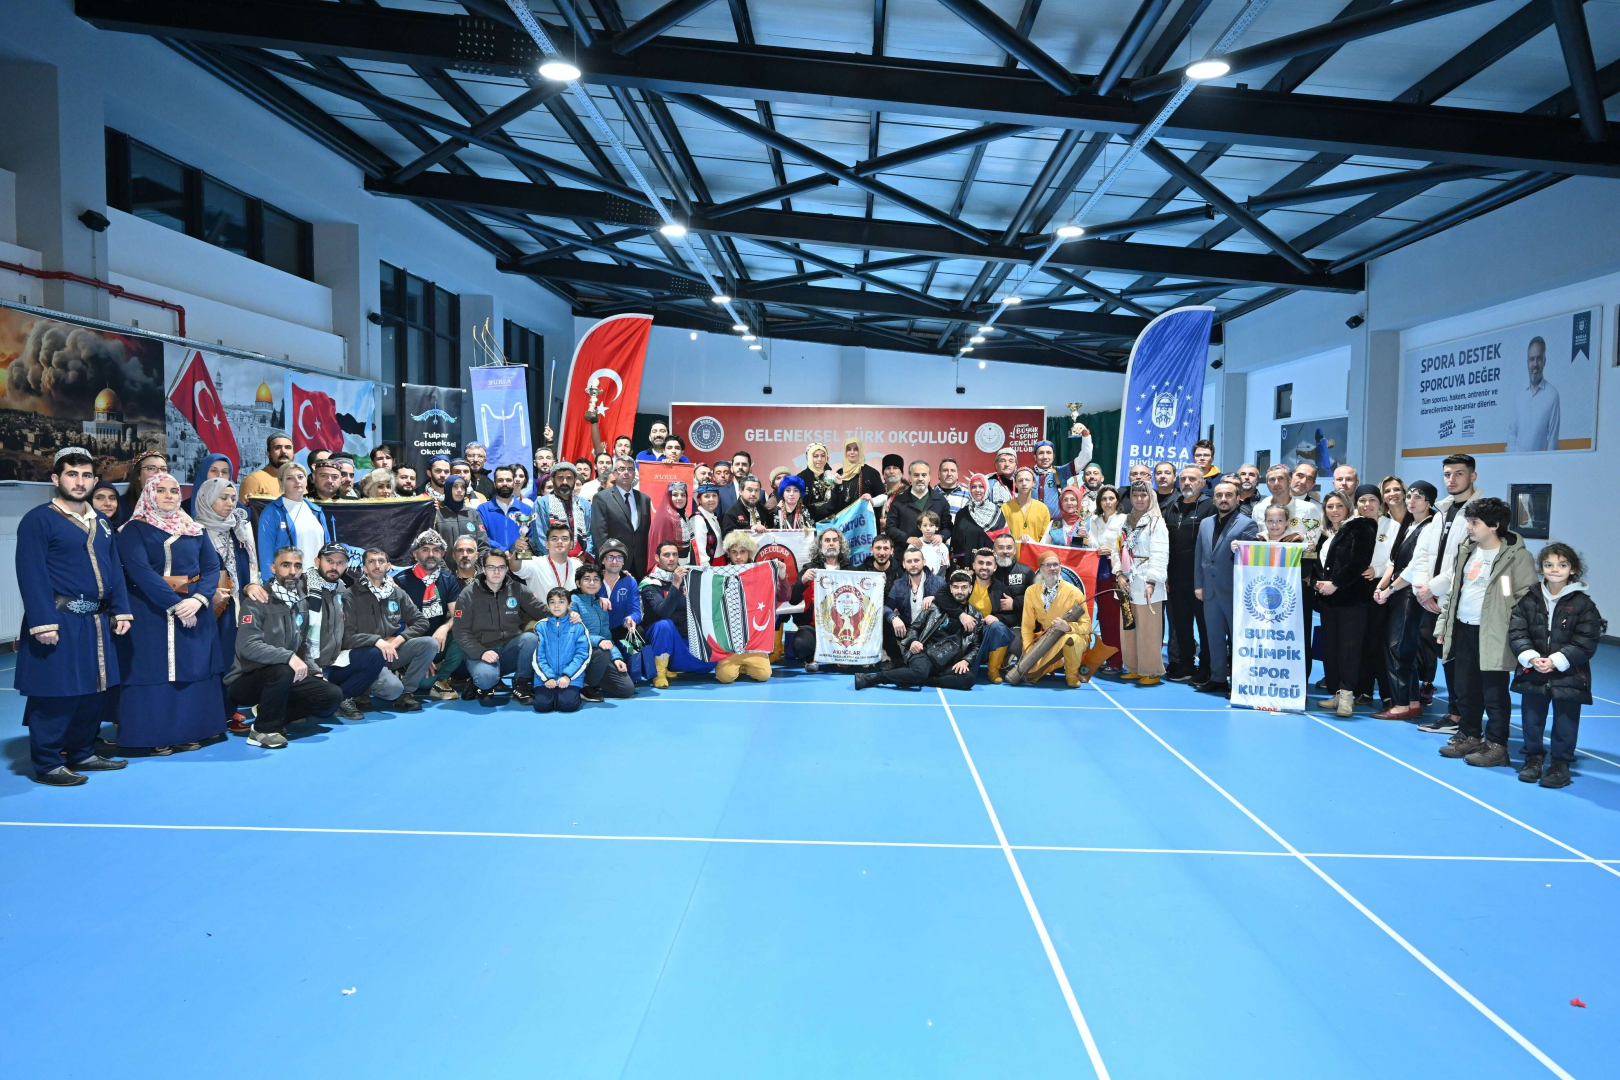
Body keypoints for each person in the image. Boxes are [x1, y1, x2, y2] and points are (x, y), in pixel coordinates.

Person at [16, 449, 135, 784]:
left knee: (94, 690)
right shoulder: (39, 520)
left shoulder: (102, 522)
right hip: (59, 619)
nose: (79, 482)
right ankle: (48, 762)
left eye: (86, 476)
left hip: (97, 621)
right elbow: (31, 573)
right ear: (57, 479)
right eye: (72, 474)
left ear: (94, 480)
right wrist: (43, 622)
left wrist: (122, 609)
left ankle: (82, 752)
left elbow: (114, 570)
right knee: (56, 692)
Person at [1433, 497, 1537, 767]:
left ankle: (1497, 746)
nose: (1469, 527)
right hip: (1463, 629)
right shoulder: (1467, 551)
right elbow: (1455, 592)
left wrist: (1514, 631)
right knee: (1464, 688)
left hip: (1493, 633)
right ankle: (1469, 735)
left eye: (1474, 522)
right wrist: (1444, 625)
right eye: (1468, 521)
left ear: (1494, 525)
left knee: (1494, 692)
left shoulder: (1517, 556)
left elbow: (1526, 598)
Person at [225, 546, 345, 749]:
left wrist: (314, 671)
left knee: (331, 695)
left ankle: (268, 713)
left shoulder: (301, 600)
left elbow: (302, 645)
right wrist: (288, 657)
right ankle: (262, 731)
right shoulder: (257, 600)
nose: (292, 571)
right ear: (273, 568)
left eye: (297, 566)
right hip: (246, 679)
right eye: (286, 565)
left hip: (283, 677)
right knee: (282, 669)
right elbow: (247, 646)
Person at [1509, 543, 1601, 787]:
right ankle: (1533, 758)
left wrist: (1556, 660)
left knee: (1566, 721)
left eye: (1562, 565)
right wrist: (1530, 657)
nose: (1555, 569)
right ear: (1542, 568)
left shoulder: (1584, 604)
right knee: (1531, 718)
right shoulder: (1529, 599)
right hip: (1534, 670)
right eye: (1548, 565)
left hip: (1569, 673)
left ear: (1573, 569)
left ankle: (1560, 764)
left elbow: (1586, 640)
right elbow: (1517, 631)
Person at [193, 477, 267, 729]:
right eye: (222, 497)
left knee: (233, 659)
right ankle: (208, 713)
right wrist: (206, 593)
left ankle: (228, 710)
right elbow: (188, 570)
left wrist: (251, 584)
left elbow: (251, 563)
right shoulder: (194, 530)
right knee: (210, 659)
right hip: (208, 606)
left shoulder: (240, 527)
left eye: (233, 498)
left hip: (236, 605)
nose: (229, 503)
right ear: (207, 499)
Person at [1414, 453, 1480, 733]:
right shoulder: (1441, 511)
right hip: (1432, 601)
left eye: (1459, 473)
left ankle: (1461, 718)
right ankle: (1455, 715)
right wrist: (1422, 589)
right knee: (1446, 659)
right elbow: (1423, 554)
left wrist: (1433, 588)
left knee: (1461, 663)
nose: (1451, 479)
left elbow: (1470, 562)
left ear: (1473, 476)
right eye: (1447, 474)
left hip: (1460, 601)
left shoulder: (1480, 513)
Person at [1372, 481, 1438, 720]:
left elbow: (1413, 568)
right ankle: (1412, 701)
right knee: (1404, 646)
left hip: (1409, 593)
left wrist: (1389, 590)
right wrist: (1381, 586)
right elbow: (1394, 561)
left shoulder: (1430, 527)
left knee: (1397, 647)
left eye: (1418, 497)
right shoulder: (1410, 525)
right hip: (1400, 591)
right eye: (1409, 496)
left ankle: (1400, 705)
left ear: (1429, 501)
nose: (1411, 501)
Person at [855, 570, 983, 691]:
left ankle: (921, 680)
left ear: (970, 588)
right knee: (920, 672)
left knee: (969, 678)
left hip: (948, 662)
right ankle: (873, 679)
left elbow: (975, 645)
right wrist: (913, 641)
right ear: (950, 588)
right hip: (924, 653)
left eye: (964, 587)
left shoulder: (976, 615)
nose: (960, 591)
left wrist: (966, 661)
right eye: (956, 587)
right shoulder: (934, 607)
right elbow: (914, 628)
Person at [346, 547, 439, 712]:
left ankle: (407, 692)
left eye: (381, 561)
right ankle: (362, 688)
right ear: (365, 568)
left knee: (430, 643)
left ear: (388, 566)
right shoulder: (350, 595)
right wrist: (376, 641)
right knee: (392, 690)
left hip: (392, 650)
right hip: (367, 655)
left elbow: (421, 622)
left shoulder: (397, 593)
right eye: (371, 562)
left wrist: (400, 638)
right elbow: (347, 636)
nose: (377, 565)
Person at [304, 542, 388, 719]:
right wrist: (250, 587)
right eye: (329, 561)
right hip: (306, 666)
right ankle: (326, 697)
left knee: (374, 655)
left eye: (340, 562)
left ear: (346, 566)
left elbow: (370, 589)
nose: (334, 567)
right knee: (320, 710)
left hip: (332, 664)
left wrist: (391, 586)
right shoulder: (301, 587)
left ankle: (342, 698)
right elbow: (275, 587)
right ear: (317, 561)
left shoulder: (341, 589)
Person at [1311, 491, 1376, 717]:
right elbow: (1320, 565)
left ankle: (1347, 696)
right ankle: (1338, 693)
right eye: (1330, 506)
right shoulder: (1326, 534)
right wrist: (1317, 583)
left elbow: (1359, 561)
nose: (1334, 510)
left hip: (1352, 600)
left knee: (1349, 649)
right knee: (1332, 649)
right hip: (1329, 602)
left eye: (1339, 505)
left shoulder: (1361, 526)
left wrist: (1336, 584)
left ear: (1348, 507)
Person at [1193, 479, 1259, 695]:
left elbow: (1250, 561)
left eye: (1229, 495)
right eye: (1219, 495)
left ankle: (1240, 682)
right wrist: (1198, 584)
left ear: (1238, 499)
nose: (1223, 499)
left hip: (1235, 591)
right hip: (1210, 590)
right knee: (1213, 637)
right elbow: (1200, 555)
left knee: (1239, 639)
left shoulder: (1247, 524)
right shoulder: (1205, 523)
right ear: (1214, 499)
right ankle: (1218, 678)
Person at [452, 547, 542, 706]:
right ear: (483, 569)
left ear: (507, 569)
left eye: (501, 567)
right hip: (481, 651)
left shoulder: (517, 589)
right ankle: (481, 680)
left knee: (530, 639)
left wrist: (566, 615)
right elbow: (460, 632)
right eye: (491, 567)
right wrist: (481, 652)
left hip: (509, 649)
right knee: (486, 679)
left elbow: (541, 610)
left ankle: (521, 684)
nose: (496, 572)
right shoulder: (468, 594)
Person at [393, 529, 464, 701]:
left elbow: (458, 614)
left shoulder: (448, 579)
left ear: (442, 554)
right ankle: (406, 671)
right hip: (411, 644)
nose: (431, 555)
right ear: (415, 554)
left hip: (439, 641)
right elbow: (397, 625)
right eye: (425, 549)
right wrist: (423, 651)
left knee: (463, 633)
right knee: (424, 684)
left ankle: (441, 680)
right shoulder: (400, 581)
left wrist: (444, 628)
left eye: (436, 550)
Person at [1358, 478, 1410, 708]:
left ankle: (1387, 693)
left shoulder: (1392, 526)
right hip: (1356, 589)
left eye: (1372, 500)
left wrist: (1377, 572)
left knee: (1379, 641)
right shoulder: (1352, 525)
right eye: (1362, 500)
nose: (1367, 504)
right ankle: (1364, 690)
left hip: (1381, 588)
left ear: (1380, 504)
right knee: (1361, 641)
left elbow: (1394, 559)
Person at [639, 540, 716, 687]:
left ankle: (674, 665)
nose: (671, 558)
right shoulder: (649, 583)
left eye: (674, 554)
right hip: (660, 639)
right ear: (657, 558)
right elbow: (663, 612)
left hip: (684, 639)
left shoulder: (689, 578)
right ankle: (659, 673)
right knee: (664, 625)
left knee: (710, 664)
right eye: (666, 555)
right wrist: (675, 584)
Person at [1163, 466, 1213, 683]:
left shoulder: (1210, 507)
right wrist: (1165, 574)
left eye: (1192, 479)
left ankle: (1207, 667)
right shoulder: (1171, 507)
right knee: (1181, 625)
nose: (1187, 483)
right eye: (1183, 479)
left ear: (1202, 483)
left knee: (1205, 626)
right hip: (1175, 577)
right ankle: (1186, 665)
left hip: (1201, 579)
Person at [1116, 482, 1169, 686]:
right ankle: (1134, 667)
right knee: (1128, 626)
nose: (1139, 499)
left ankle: (1151, 670)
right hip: (1127, 582)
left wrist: (1152, 581)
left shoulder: (1156, 523)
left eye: (1143, 495)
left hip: (1147, 581)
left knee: (1149, 628)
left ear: (1150, 498)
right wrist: (1118, 574)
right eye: (1135, 495)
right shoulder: (1125, 522)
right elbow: (1116, 549)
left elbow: (1160, 553)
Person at [793, 527, 863, 672]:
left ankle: (840, 656)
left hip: (843, 627)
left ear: (840, 544)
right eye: (827, 540)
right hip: (814, 625)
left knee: (847, 666)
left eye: (835, 540)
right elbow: (793, 599)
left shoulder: (852, 570)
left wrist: (879, 580)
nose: (831, 543)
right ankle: (811, 657)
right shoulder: (810, 569)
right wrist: (802, 581)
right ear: (820, 546)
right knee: (801, 645)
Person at [1018, 551, 1092, 687]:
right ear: (1041, 569)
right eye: (1048, 565)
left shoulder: (1074, 592)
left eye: (1055, 565)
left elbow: (1087, 625)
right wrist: (1028, 650)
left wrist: (1069, 628)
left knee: (1070, 639)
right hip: (1048, 638)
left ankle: (1072, 674)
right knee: (1028, 674)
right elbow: (1027, 625)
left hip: (1075, 636)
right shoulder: (1031, 591)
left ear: (1060, 567)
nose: (1052, 568)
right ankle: (1058, 662)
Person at [255, 462, 333, 581]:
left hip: (318, 581)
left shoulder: (316, 511)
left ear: (306, 480)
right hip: (289, 580)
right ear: (281, 483)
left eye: (300, 477)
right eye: (290, 478)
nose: (297, 481)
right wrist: (270, 583)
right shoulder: (272, 511)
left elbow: (327, 549)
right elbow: (265, 551)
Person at [570, 562, 636, 701]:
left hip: (598, 656)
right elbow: (572, 634)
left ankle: (589, 676)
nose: (591, 583)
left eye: (596, 579)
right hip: (577, 653)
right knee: (603, 651)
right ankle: (587, 687)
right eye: (586, 579)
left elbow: (607, 637)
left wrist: (616, 658)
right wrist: (598, 641)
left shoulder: (602, 605)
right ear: (578, 583)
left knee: (627, 689)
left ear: (600, 584)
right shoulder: (572, 602)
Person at [592, 456, 654, 579]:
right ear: (614, 473)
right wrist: (609, 560)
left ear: (634, 474)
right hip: (613, 563)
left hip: (639, 563)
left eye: (630, 469)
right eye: (621, 469)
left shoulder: (644, 499)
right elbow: (599, 534)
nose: (626, 472)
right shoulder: (601, 498)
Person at [530, 587, 589, 713]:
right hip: (545, 677)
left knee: (568, 705)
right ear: (547, 605)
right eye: (552, 602)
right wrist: (547, 677)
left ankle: (571, 693)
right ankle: (551, 694)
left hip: (571, 677)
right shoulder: (540, 626)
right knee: (542, 706)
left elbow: (583, 654)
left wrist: (568, 676)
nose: (556, 606)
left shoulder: (578, 626)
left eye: (561, 602)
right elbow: (538, 656)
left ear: (569, 605)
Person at [1086, 485, 1126, 669]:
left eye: (1111, 498)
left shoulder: (1124, 519)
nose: (1107, 502)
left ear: (1117, 500)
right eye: (1104, 499)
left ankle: (1117, 660)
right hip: (1097, 569)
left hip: (1116, 570)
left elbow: (1125, 545)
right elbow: (1092, 543)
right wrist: (1092, 544)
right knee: (1103, 616)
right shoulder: (1094, 520)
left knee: (1115, 616)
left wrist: (1112, 551)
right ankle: (1108, 656)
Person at [882, 546, 943, 664]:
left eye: (916, 560)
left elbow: (951, 602)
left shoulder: (938, 582)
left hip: (931, 632)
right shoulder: (898, 584)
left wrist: (935, 598)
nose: (913, 564)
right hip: (908, 630)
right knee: (885, 622)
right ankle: (897, 661)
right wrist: (894, 618)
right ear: (904, 565)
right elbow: (885, 607)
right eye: (909, 561)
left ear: (924, 562)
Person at [966, 548, 1017, 683]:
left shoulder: (1000, 588)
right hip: (965, 631)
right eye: (980, 563)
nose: (984, 567)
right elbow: (946, 600)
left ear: (995, 567)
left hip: (987, 633)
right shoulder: (964, 584)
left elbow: (1014, 617)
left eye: (988, 564)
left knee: (998, 627)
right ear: (974, 565)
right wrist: (961, 615)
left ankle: (993, 670)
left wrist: (998, 618)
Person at [1507, 335, 1560, 453]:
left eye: (1539, 359)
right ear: (1527, 362)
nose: (1535, 364)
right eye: (1532, 359)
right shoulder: (1519, 395)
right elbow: (1512, 434)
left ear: (1544, 362)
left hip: (1539, 463)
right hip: (1516, 462)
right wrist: (1510, 460)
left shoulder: (1552, 395)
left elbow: (1553, 441)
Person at [533, 461, 592, 559]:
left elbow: (590, 535)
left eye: (569, 478)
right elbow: (539, 537)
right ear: (553, 479)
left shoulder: (584, 504)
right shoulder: (542, 503)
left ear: (575, 480)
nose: (565, 482)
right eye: (560, 478)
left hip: (581, 561)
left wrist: (583, 557)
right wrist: (557, 559)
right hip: (551, 561)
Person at [991, 534, 1035, 664]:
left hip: (1019, 625)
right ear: (994, 550)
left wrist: (1015, 604)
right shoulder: (987, 571)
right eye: (1001, 547)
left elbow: (1038, 600)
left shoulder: (1026, 572)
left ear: (1015, 550)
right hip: (993, 623)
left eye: (1009, 547)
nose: (1005, 551)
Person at [477, 465, 534, 554]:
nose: (505, 483)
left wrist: (514, 551)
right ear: (494, 484)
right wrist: (503, 551)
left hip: (519, 558)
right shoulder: (483, 510)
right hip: (494, 558)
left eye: (508, 480)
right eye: (500, 480)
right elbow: (482, 537)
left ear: (513, 483)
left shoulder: (526, 510)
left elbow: (531, 538)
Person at [952, 474, 1006, 565]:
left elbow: (1002, 541)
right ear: (970, 489)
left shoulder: (996, 513)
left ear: (986, 488)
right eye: (974, 487)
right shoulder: (961, 514)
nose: (977, 490)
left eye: (981, 486)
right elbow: (955, 543)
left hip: (988, 565)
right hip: (965, 564)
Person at [824, 439, 886, 518]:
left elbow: (884, 497)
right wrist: (836, 487)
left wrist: (872, 501)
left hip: (864, 521)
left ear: (860, 451)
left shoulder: (871, 472)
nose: (852, 452)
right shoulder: (840, 473)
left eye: (856, 449)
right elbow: (835, 500)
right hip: (843, 521)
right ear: (845, 452)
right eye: (849, 449)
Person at [1002, 468, 1050, 560]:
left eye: (1027, 480)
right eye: (1020, 480)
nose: (1024, 483)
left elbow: (1045, 539)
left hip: (1035, 558)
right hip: (1012, 559)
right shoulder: (1006, 507)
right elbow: (1003, 536)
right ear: (1015, 483)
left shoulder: (1042, 509)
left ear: (1033, 483)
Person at [113, 451, 169, 528]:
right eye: (151, 468)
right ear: (138, 475)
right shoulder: (120, 505)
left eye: (163, 469)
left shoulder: (173, 504)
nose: (159, 473)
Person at [436, 474, 489, 554]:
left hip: (471, 562)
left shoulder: (473, 514)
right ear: (447, 489)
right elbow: (432, 547)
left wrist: (480, 561)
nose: (460, 490)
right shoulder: (437, 515)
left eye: (463, 487)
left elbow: (483, 546)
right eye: (455, 486)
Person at [238, 433, 294, 500]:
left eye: (288, 447)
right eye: (277, 448)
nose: (283, 451)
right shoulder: (254, 480)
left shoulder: (299, 481)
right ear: (268, 454)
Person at [689, 483, 725, 566]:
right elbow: (699, 550)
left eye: (714, 496)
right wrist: (706, 570)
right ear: (699, 500)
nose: (711, 499)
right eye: (707, 496)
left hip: (720, 562)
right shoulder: (698, 519)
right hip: (709, 565)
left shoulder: (712, 515)